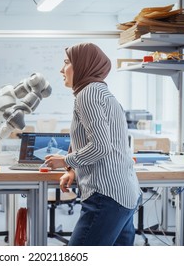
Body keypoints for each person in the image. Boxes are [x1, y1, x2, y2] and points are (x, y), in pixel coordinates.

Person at [44, 42, 141, 246]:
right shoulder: (102, 93)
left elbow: (100, 146)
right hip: (124, 193)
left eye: (67, 63)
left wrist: (65, 161)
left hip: (106, 196)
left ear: (83, 65)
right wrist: (72, 170)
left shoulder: (87, 95)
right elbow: (100, 143)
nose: (62, 69)